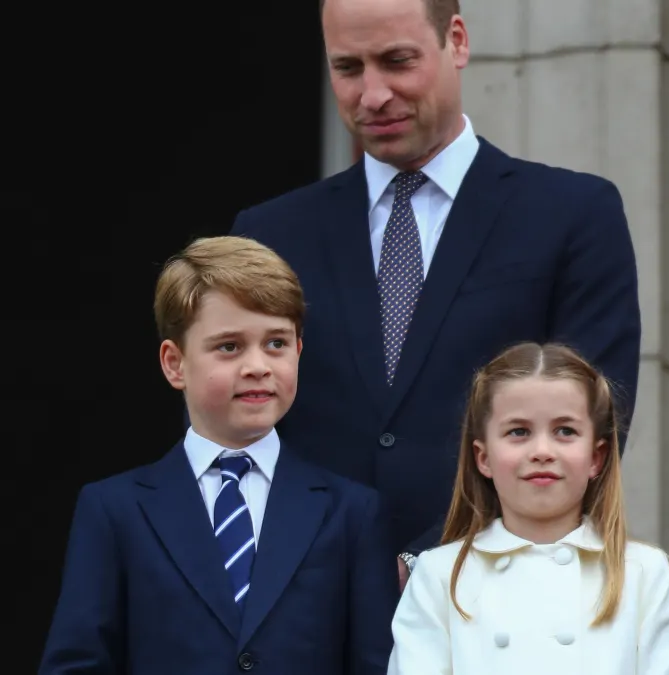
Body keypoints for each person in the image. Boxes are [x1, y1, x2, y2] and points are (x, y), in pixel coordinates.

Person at [229, 0, 641, 577]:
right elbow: (231, 425)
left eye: (397, 61)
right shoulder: (271, 233)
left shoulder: (572, 215)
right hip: (307, 598)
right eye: (348, 69)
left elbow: (596, 416)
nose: (372, 95)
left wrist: (433, 558)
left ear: (458, 41)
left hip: (500, 592)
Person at [39, 237, 397, 675]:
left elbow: (376, 665)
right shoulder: (114, 510)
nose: (257, 366)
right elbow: (78, 663)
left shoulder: (352, 513)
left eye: (276, 344)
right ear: (175, 364)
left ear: (299, 351)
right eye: (229, 346)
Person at [386, 342, 669, 674]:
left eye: (565, 431)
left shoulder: (643, 572)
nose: (542, 450)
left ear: (596, 457)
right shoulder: (439, 575)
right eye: (518, 432)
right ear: (484, 458)